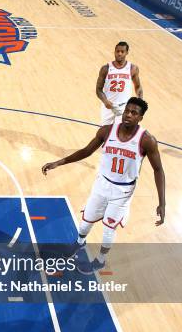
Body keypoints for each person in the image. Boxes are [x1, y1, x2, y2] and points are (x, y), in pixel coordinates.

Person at [42, 97, 165, 274]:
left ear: (140, 118)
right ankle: (79, 242)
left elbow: (158, 170)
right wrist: (59, 162)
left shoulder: (147, 140)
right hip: (102, 184)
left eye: (134, 113)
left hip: (123, 191)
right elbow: (86, 151)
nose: (128, 115)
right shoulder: (107, 131)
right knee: (85, 223)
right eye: (127, 111)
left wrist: (162, 202)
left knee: (108, 229)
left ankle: (100, 260)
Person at [95, 41, 143, 125]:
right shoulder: (105, 68)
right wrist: (105, 101)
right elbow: (98, 89)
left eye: (122, 51)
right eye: (117, 51)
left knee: (121, 134)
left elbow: (138, 87)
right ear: (114, 52)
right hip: (108, 106)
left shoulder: (132, 68)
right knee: (103, 132)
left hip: (124, 107)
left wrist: (139, 102)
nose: (119, 54)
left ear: (127, 53)